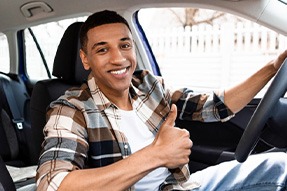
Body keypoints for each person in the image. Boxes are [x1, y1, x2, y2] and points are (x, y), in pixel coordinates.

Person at [36, 10, 287, 191]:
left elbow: (214, 106)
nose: (118, 58)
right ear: (85, 59)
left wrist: (272, 68)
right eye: (102, 49)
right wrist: (156, 155)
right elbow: (53, 185)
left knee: (280, 166)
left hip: (180, 186)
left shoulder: (148, 85)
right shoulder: (70, 109)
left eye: (124, 45)